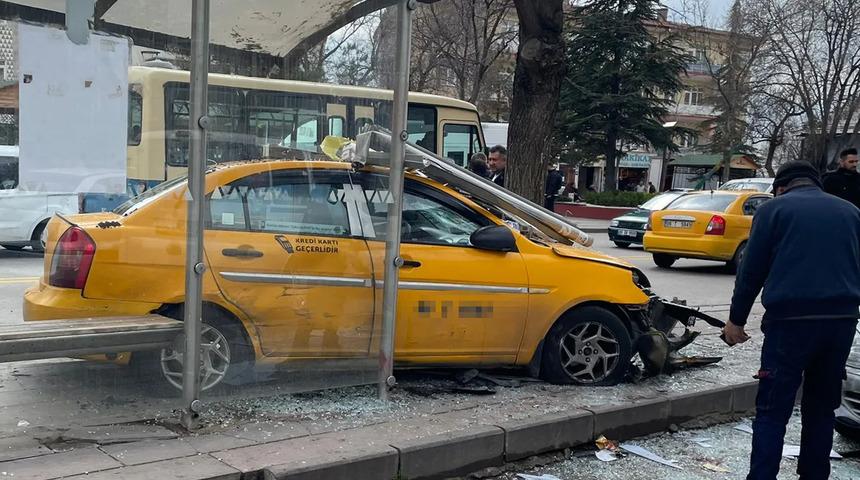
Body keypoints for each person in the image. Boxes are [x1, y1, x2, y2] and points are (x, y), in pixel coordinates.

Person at [724, 161, 860, 480]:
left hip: (790, 324)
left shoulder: (774, 211)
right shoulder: (852, 212)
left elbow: (751, 271)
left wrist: (736, 321)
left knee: (772, 411)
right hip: (840, 324)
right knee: (822, 409)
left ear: (781, 188)